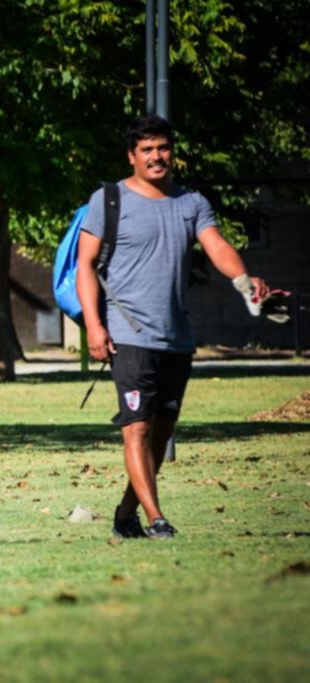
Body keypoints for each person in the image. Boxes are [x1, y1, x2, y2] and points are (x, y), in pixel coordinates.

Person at [77, 115, 270, 540]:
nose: (156, 156)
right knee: (138, 428)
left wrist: (244, 282)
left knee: (160, 434)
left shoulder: (191, 204)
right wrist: (94, 325)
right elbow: (85, 265)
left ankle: (127, 512)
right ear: (132, 156)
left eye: (162, 148)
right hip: (127, 334)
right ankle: (156, 518)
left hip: (176, 338)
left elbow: (217, 245)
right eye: (146, 150)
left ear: (172, 152)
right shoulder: (109, 200)